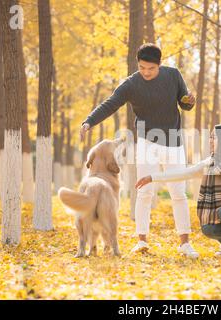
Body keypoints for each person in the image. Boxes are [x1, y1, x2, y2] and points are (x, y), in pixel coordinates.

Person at [80, 43, 199, 258]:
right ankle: (142, 240)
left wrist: (190, 101)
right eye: (142, 67)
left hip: (173, 140)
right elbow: (110, 104)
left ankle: (185, 243)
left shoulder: (173, 75)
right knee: (144, 192)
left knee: (178, 193)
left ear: (159, 65)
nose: (146, 72)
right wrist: (89, 122)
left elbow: (185, 104)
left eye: (151, 69)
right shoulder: (131, 84)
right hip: (146, 143)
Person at [135, 124, 221, 257]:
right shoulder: (208, 165)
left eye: (214, 137)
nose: (211, 141)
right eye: (210, 137)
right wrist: (152, 177)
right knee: (208, 228)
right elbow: (183, 173)